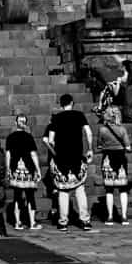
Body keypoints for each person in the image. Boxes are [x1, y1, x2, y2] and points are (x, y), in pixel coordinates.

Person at [44, 94, 93, 231]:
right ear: (72, 102)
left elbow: (51, 140)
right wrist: (90, 149)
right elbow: (88, 133)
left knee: (63, 191)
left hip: (61, 158)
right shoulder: (79, 115)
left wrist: (55, 154)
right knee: (80, 189)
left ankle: (63, 221)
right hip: (77, 156)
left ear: (61, 104)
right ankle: (85, 220)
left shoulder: (57, 118)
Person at [4, 113, 40, 231]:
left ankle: (18, 223)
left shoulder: (10, 137)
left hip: (15, 168)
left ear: (16, 123)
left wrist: (8, 168)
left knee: (17, 196)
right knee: (30, 196)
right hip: (28, 168)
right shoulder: (29, 137)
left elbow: (8, 154)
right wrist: (38, 169)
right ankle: (32, 222)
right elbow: (33, 154)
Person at [96, 107, 131, 225]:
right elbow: (128, 146)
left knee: (109, 190)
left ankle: (110, 216)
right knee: (123, 189)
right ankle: (124, 216)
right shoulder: (122, 130)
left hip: (107, 159)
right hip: (121, 158)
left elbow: (99, 145)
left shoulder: (102, 130)